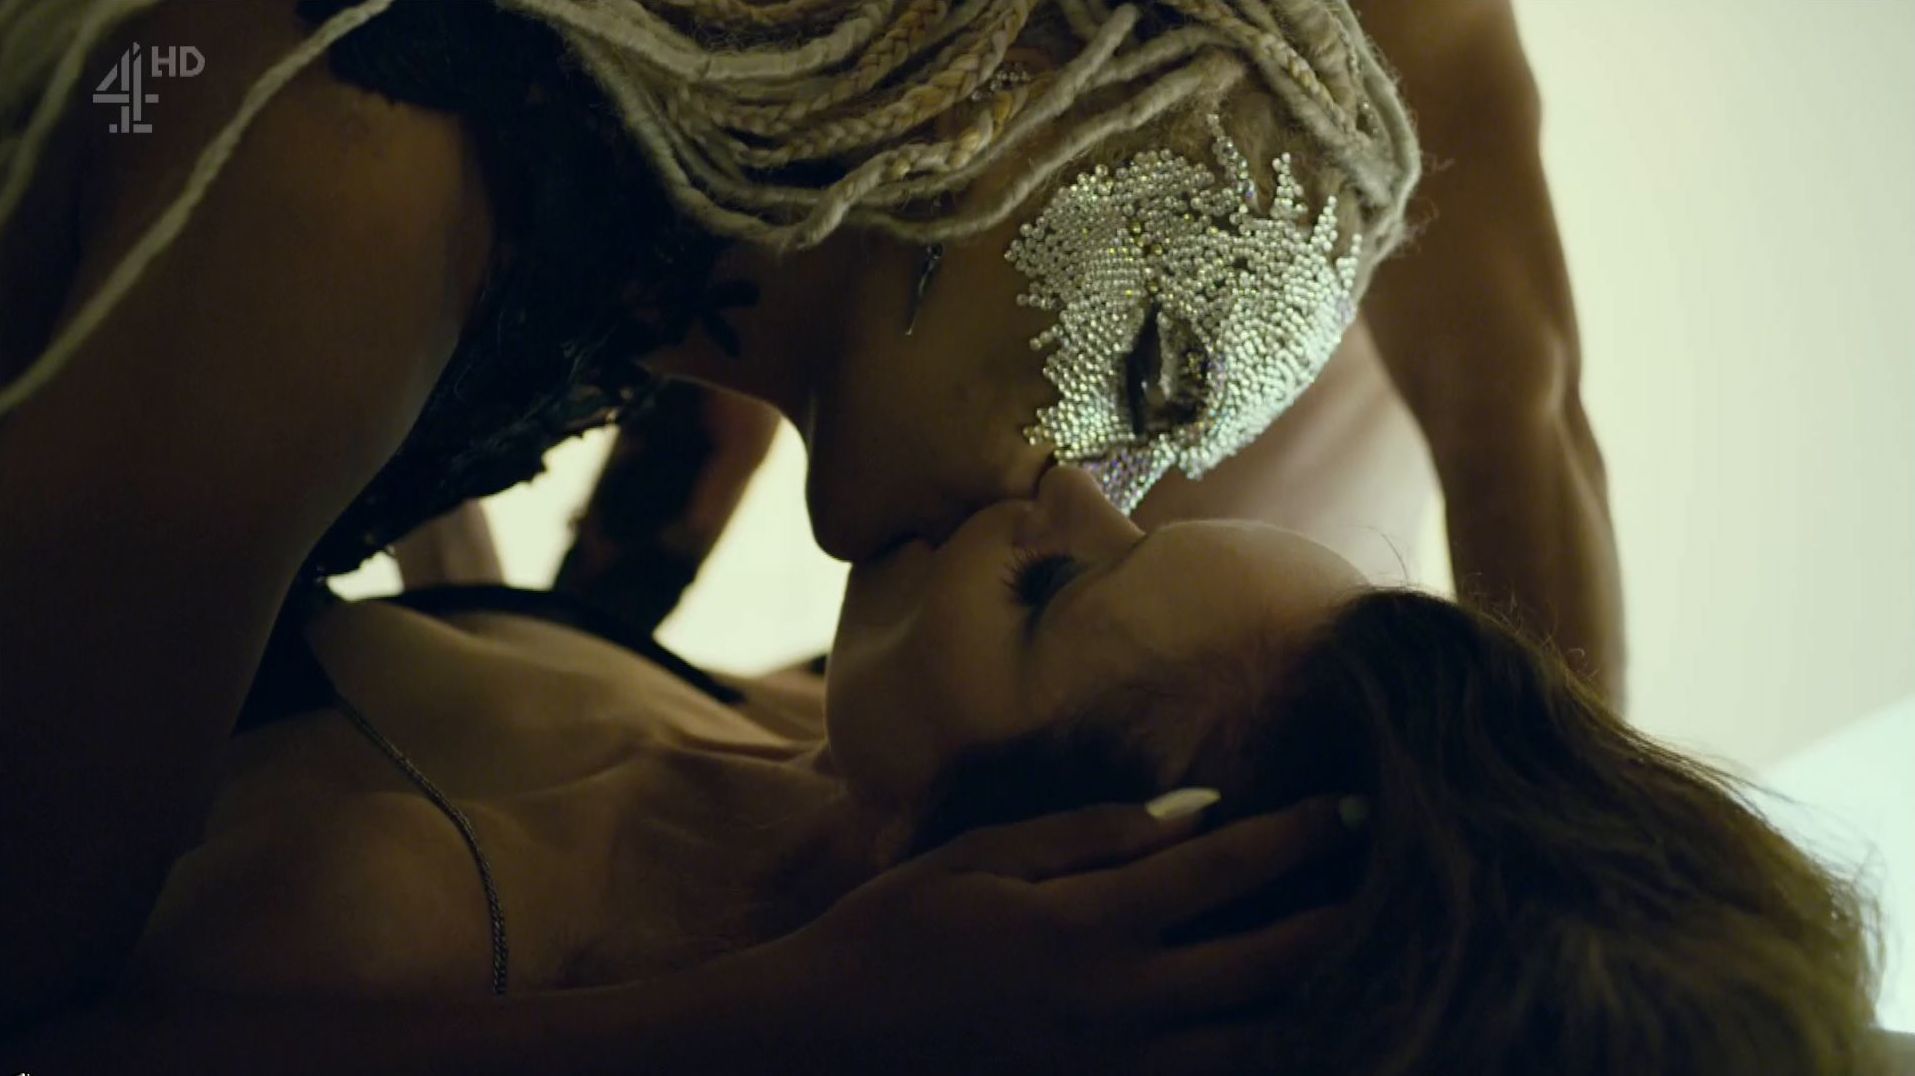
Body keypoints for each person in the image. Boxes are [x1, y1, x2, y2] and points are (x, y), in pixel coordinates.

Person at [16, 466, 1890, 1075]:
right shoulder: (801, 749)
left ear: (1036, 879)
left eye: (1060, 588)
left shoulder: (386, 921)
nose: (1056, 484)